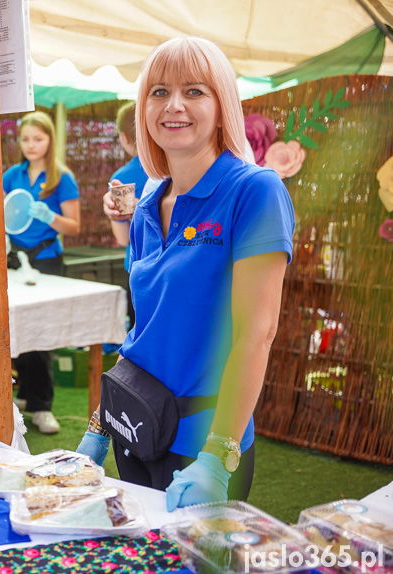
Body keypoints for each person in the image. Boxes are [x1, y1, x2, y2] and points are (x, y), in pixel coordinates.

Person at [78, 37, 295, 510]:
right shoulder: (147, 206)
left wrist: (218, 455)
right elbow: (144, 331)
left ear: (222, 106)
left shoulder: (254, 191)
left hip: (206, 441)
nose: (173, 105)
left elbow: (257, 333)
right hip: (134, 427)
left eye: (194, 91)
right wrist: (99, 426)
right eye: (158, 92)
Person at [3, 110, 81, 434]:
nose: (31, 145)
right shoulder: (12, 176)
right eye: (26, 139)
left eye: (38, 139)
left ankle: (42, 406)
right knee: (14, 326)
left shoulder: (62, 178)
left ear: (50, 141)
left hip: (47, 259)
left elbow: (74, 227)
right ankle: (25, 395)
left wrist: (50, 217)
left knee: (40, 331)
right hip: (13, 258)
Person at [107, 101, 150, 327]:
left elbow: (123, 238)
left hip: (138, 269)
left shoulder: (121, 178)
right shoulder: (176, 169)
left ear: (124, 137)